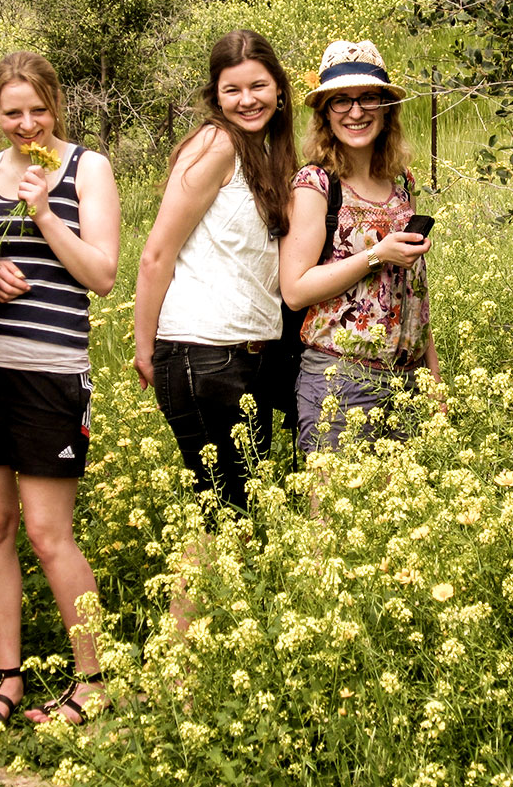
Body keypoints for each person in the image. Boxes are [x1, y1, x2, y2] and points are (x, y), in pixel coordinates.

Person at [0, 51, 120, 726]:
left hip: (51, 373)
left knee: (47, 532)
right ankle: (9, 678)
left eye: (37, 109)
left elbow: (103, 274)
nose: (26, 123)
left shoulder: (88, 168)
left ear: (56, 105)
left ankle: (94, 679)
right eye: (11, 112)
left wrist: (45, 213)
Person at [134, 29, 297, 511]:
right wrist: (145, 348)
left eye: (258, 86)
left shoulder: (267, 154)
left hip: (246, 356)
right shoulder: (216, 146)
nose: (247, 100)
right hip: (202, 354)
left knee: (235, 513)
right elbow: (156, 255)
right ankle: (192, 590)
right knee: (222, 515)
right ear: (216, 96)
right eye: (232, 90)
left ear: (280, 89)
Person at [279, 39, 442, 453]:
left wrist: (433, 381)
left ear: (387, 109)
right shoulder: (316, 185)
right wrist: (374, 255)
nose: (356, 112)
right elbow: (295, 290)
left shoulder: (402, 183)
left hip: (407, 382)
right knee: (332, 515)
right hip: (340, 378)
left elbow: (415, 296)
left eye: (369, 97)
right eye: (341, 101)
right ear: (325, 113)